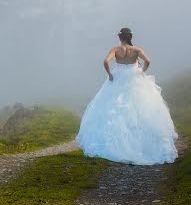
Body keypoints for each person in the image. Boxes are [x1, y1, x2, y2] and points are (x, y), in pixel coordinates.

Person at [75, 27, 178, 164]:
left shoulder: (116, 50)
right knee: (141, 109)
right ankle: (141, 146)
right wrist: (141, 71)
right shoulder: (136, 50)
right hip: (134, 79)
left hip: (118, 79)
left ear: (120, 37)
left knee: (114, 110)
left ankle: (117, 144)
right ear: (130, 37)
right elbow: (148, 61)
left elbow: (106, 61)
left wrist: (110, 75)